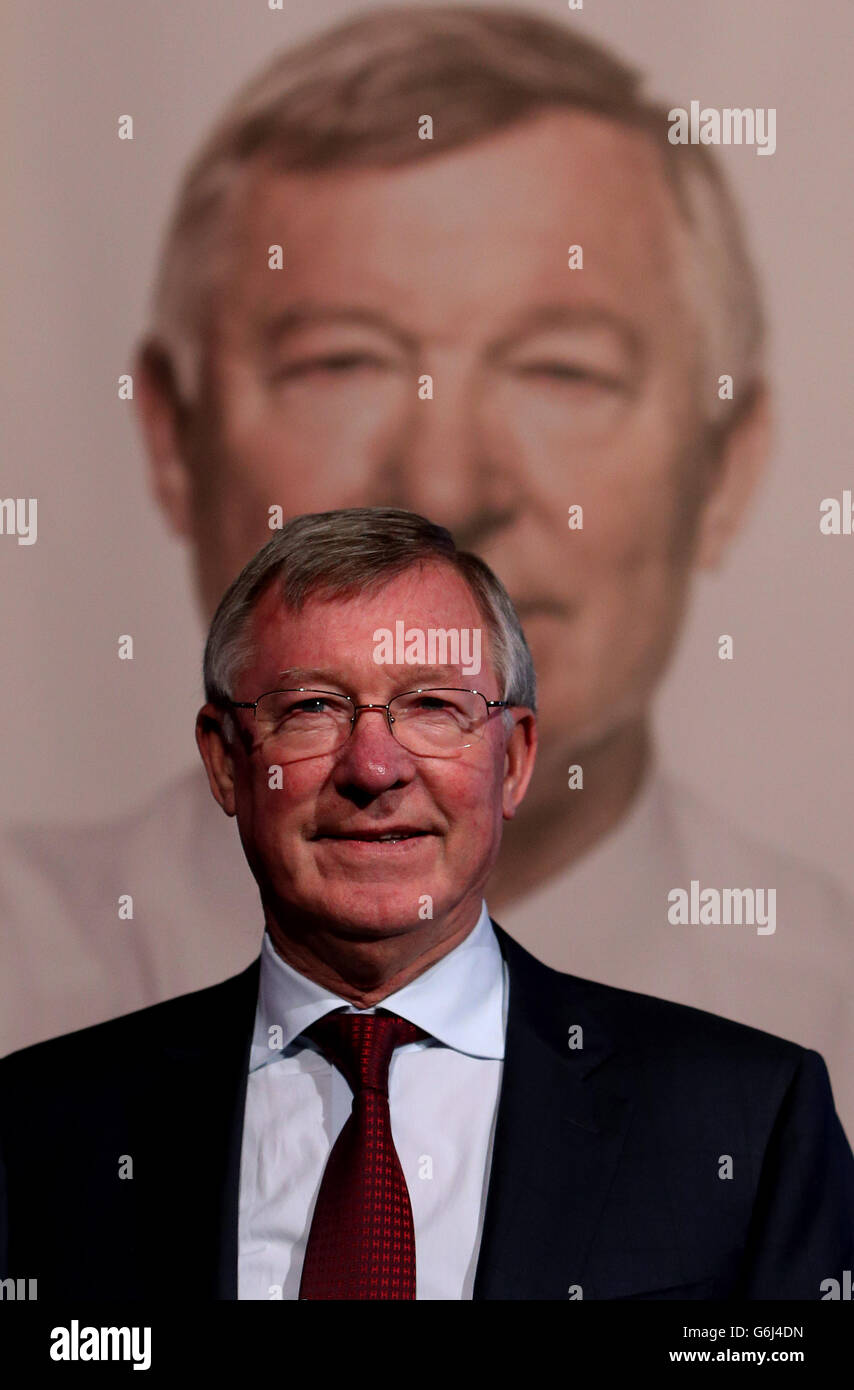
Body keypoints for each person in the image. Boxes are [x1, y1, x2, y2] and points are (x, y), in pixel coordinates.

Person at [1, 6, 851, 1137]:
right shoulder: (25, 1005)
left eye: (559, 370)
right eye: (341, 360)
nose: (444, 486)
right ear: (169, 432)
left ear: (728, 459)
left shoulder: (810, 1037)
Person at [1, 508, 851, 1302]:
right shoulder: (36, 1132)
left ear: (513, 760)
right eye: (311, 708)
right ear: (226, 763)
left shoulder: (747, 1125)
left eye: (434, 707)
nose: (373, 768)